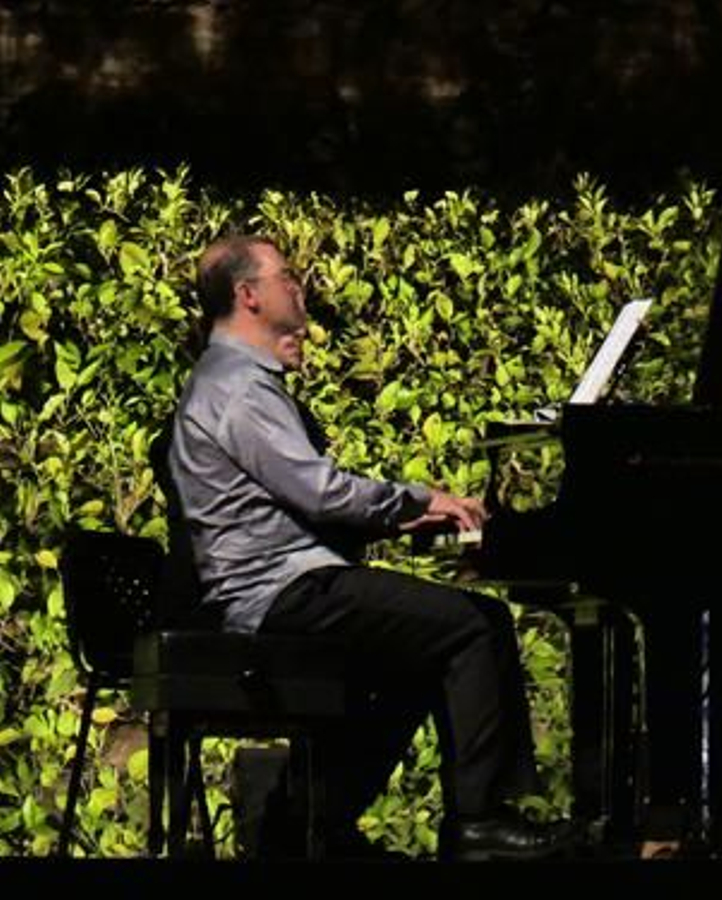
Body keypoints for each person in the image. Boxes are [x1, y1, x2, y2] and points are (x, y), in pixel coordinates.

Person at [167, 234, 569, 861]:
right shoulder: (237, 387)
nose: (299, 285)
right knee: (472, 624)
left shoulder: (238, 382)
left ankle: (301, 825)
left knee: (416, 653)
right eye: (285, 275)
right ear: (248, 295)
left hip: (281, 582)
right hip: (277, 593)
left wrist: (406, 521)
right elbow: (319, 492)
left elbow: (296, 504)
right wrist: (418, 500)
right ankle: (479, 824)